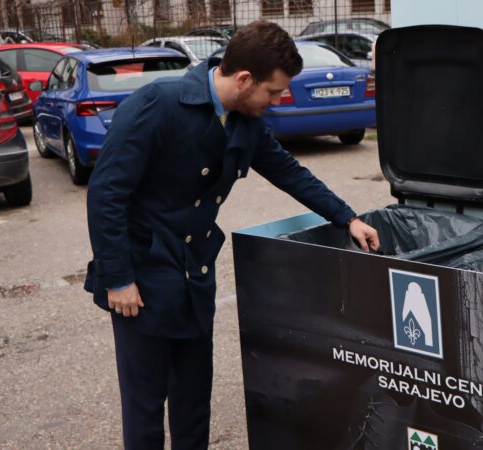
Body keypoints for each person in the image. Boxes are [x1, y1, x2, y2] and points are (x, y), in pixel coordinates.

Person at [84, 20, 379, 449]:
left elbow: (289, 173)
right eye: (273, 91)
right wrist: (118, 278)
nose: (277, 100)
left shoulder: (245, 121)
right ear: (244, 79)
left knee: (193, 403)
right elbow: (106, 194)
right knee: (145, 408)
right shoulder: (156, 104)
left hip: (194, 277)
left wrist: (348, 218)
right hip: (142, 280)